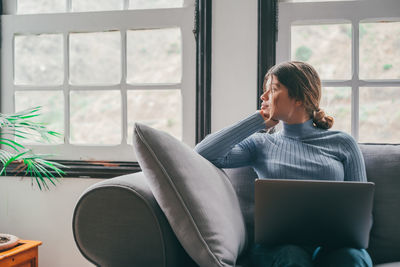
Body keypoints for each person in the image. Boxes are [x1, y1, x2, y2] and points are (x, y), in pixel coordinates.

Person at [194, 61, 373, 267]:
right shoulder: (261, 143)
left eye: (273, 89)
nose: (263, 97)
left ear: (299, 98)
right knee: (292, 258)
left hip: (332, 247)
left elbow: (360, 211)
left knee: (351, 259)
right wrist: (257, 121)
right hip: (277, 247)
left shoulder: (343, 143)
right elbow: (203, 152)